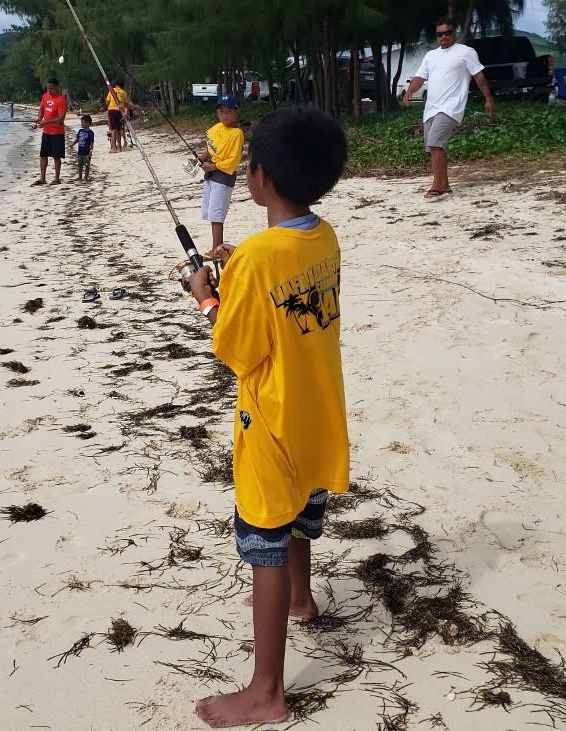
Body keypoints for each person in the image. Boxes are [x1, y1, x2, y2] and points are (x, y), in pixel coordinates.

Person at [184, 105, 349, 729]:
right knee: (301, 518)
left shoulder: (255, 258)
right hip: (318, 416)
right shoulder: (323, 235)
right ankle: (303, 601)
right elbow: (284, 305)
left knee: (266, 543)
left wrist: (206, 296)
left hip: (271, 424)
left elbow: (237, 348)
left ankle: (266, 691)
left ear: (261, 180)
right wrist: (238, 275)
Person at [400, 16, 496, 199]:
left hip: (451, 108)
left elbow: (479, 76)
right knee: (435, 147)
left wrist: (488, 99)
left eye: (448, 33)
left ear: (455, 33)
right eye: (439, 34)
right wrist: (410, 91)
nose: (444, 37)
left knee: (435, 143)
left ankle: (436, 186)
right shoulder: (431, 55)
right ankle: (445, 185)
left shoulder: (465, 52)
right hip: (431, 109)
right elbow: (420, 77)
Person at [199, 95, 244, 260]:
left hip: (223, 177)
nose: (224, 115)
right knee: (211, 212)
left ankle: (217, 249)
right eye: (221, 111)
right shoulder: (216, 128)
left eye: (229, 111)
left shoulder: (237, 133)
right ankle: (216, 246)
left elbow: (233, 160)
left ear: (236, 112)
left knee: (217, 214)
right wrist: (201, 159)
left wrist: (213, 166)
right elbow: (210, 151)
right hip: (210, 175)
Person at [31, 77, 68, 186]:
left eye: (51, 88)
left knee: (56, 156)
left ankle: (57, 179)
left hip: (57, 132)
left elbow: (61, 118)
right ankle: (42, 178)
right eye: (48, 88)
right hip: (46, 132)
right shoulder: (45, 96)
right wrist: (38, 119)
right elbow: (42, 109)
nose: (49, 90)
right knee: (43, 155)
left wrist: (45, 122)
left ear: (57, 87)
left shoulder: (61, 100)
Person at [103, 81, 130, 153]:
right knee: (119, 129)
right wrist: (125, 113)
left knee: (113, 129)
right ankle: (119, 148)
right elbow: (126, 105)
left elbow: (107, 101)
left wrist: (109, 106)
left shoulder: (112, 90)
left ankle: (114, 148)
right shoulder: (124, 92)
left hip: (112, 110)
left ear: (116, 85)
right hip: (120, 111)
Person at [75, 114, 95, 182]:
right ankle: (80, 176)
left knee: (87, 165)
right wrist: (73, 144)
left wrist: (91, 151)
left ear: (87, 123)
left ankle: (86, 177)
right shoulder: (80, 131)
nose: (81, 124)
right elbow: (77, 139)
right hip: (80, 151)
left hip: (87, 152)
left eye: (82, 122)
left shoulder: (91, 133)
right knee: (80, 165)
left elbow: (92, 142)